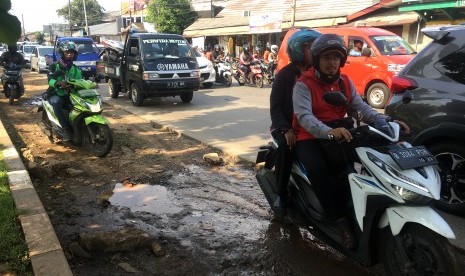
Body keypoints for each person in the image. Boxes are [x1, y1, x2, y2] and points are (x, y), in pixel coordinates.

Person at [292, 34, 409, 249]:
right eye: (327, 58)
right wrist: (328, 131)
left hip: (341, 131)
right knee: (319, 171)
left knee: (372, 158)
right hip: (309, 137)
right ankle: (340, 222)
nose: (332, 62)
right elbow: (305, 118)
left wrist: (387, 121)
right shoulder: (304, 84)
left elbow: (361, 109)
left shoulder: (344, 82)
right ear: (317, 60)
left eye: (336, 58)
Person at [269, 29, 321, 218]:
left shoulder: (318, 74)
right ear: (300, 49)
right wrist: (285, 129)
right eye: (311, 47)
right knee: (286, 147)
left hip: (309, 126)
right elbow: (275, 107)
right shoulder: (285, 75)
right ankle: (281, 194)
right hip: (285, 126)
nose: (316, 51)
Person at [48, 41, 82, 142]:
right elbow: (50, 80)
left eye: (72, 52)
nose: (70, 54)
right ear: (63, 53)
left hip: (71, 94)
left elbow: (80, 81)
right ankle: (64, 128)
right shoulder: (54, 66)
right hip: (56, 93)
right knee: (56, 102)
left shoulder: (76, 69)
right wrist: (57, 83)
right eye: (67, 52)